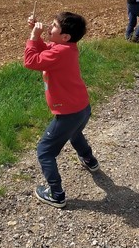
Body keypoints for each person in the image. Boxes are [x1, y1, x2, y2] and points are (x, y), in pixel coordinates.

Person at [24, 11, 99, 208]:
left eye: (54, 26)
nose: (50, 27)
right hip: (82, 108)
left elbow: (31, 61)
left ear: (65, 36)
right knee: (75, 133)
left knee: (44, 151)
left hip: (68, 113)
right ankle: (89, 160)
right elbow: (45, 51)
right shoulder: (66, 48)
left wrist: (33, 37)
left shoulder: (59, 51)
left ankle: (56, 194)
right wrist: (37, 35)